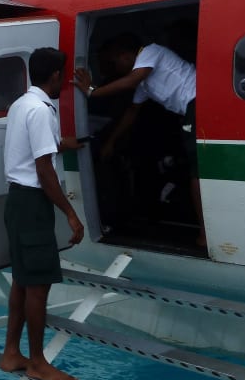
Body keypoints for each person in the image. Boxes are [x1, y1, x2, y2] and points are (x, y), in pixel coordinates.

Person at [73, 34, 206, 247]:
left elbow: (132, 79)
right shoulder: (144, 84)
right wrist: (111, 142)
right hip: (192, 107)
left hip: (198, 102)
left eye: (114, 63)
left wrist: (92, 92)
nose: (115, 69)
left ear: (125, 56)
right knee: (196, 169)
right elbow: (132, 112)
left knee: (198, 172)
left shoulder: (151, 51)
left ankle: (205, 234)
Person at [1, 47, 84, 380]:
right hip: (33, 204)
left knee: (22, 280)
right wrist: (70, 214)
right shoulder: (40, 110)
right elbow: (44, 169)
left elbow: (35, 148)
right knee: (38, 286)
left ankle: (11, 353)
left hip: (17, 202)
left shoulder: (21, 105)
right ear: (55, 75)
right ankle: (37, 361)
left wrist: (63, 144)